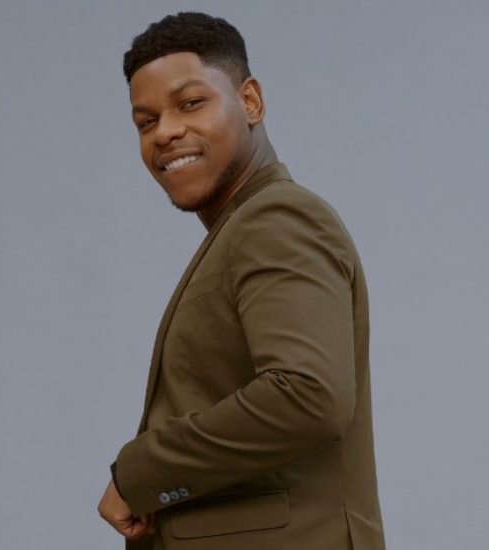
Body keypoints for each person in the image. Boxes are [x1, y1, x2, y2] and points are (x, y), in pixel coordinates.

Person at [98, 12, 385, 550]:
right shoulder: (243, 228)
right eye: (146, 121)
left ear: (250, 101)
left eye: (190, 103)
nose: (165, 132)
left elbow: (309, 396)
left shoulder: (276, 219)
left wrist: (139, 473)